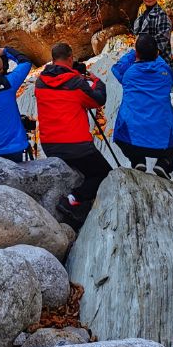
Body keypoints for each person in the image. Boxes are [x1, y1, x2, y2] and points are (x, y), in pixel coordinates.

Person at [35, 42, 110, 225]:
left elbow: (60, 90)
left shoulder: (40, 81)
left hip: (50, 144)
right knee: (104, 175)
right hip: (76, 144)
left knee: (83, 171)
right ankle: (72, 200)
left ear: (53, 59)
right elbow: (97, 100)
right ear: (70, 58)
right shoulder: (76, 82)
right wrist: (97, 82)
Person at [110, 33, 173, 177]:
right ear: (156, 53)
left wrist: (133, 53)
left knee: (119, 134)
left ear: (137, 53)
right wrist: (154, 55)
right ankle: (164, 163)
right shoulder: (165, 74)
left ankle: (137, 160)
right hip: (162, 144)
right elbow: (170, 73)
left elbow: (116, 68)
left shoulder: (128, 73)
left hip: (131, 141)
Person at [133, 0, 173, 66]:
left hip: (160, 61)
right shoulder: (142, 15)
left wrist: (143, 50)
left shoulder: (161, 15)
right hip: (144, 60)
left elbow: (163, 39)